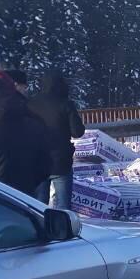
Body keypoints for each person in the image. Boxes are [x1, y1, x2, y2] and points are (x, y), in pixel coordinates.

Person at [28, 70, 85, 208]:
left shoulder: (30, 104)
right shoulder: (66, 104)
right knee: (63, 207)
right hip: (61, 161)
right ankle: (61, 229)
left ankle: (40, 229)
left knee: (38, 206)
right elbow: (77, 132)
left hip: (37, 161)